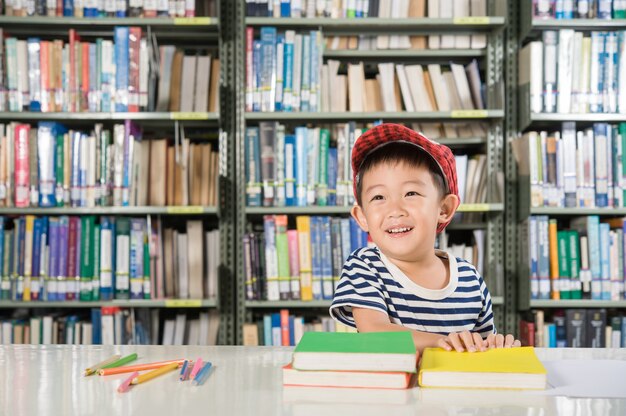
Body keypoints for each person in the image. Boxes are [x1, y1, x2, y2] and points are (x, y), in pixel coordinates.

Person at [329, 123, 520, 352]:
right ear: (362, 217)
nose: (395, 209)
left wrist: (495, 345)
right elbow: (375, 332)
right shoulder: (364, 267)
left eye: (411, 193)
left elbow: (479, 350)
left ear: (444, 209)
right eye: (379, 197)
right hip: (392, 388)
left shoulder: (470, 280)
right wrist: (444, 342)